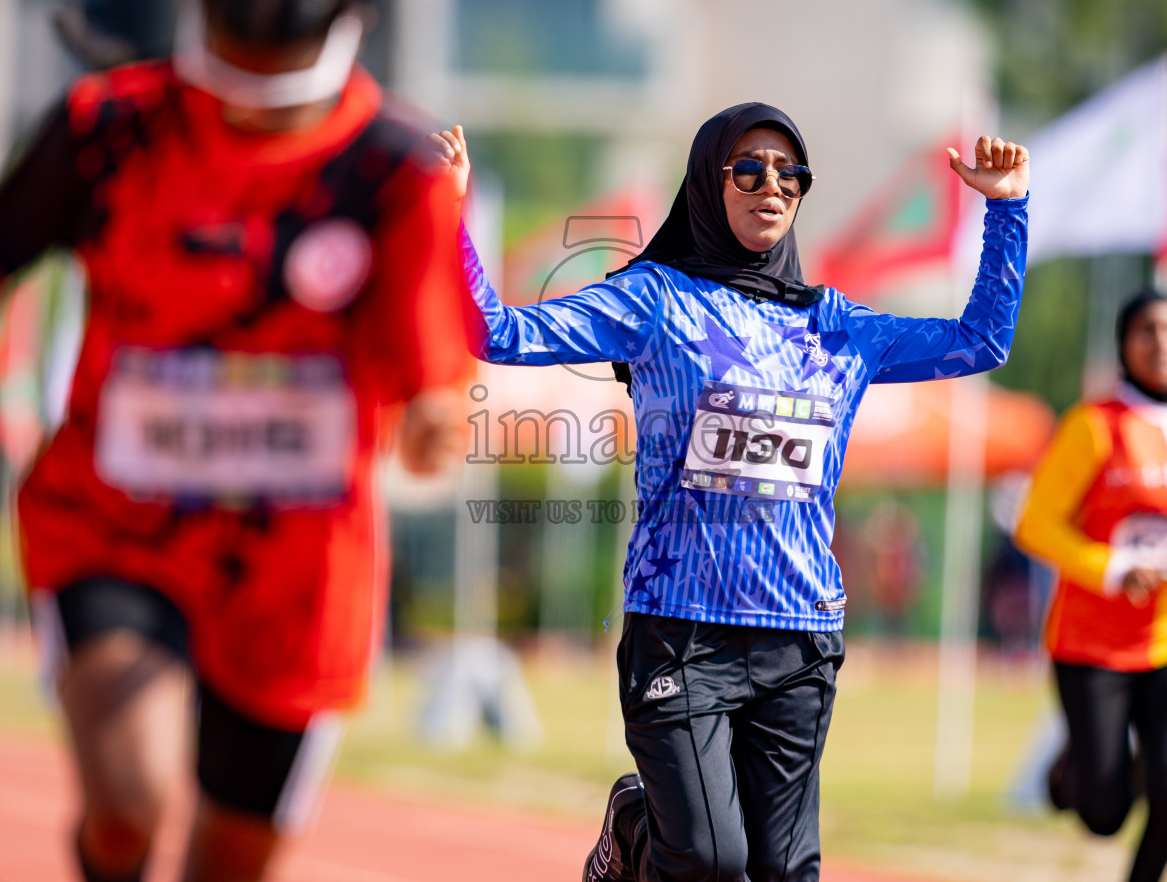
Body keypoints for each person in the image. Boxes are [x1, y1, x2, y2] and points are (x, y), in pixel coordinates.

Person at [0, 0, 469, 882]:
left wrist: (438, 424)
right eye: (231, 67)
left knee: (229, 862)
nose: (250, 107)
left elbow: (435, 378)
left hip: (295, 570)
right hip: (112, 524)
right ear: (198, 13)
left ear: (344, 33)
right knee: (126, 806)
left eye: (278, 82)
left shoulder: (393, 173)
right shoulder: (110, 128)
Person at [432, 107, 1029, 882]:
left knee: (783, 873)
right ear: (710, 184)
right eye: (749, 168)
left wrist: (1007, 208)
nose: (771, 185)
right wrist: (447, 218)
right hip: (682, 630)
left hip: (798, 635)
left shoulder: (838, 328)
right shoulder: (655, 300)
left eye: (790, 173)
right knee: (712, 861)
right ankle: (636, 827)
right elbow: (496, 332)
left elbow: (980, 341)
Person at [1015, 288, 1167, 882]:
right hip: (1091, 640)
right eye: (1148, 331)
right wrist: (1115, 569)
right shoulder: (1092, 426)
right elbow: (1035, 525)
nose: (1163, 342)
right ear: (1125, 347)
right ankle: (1075, 763)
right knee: (1103, 814)